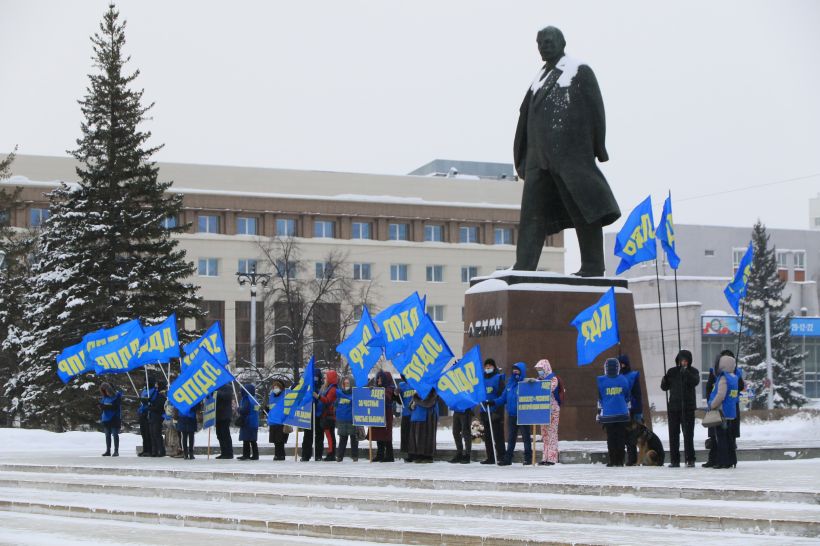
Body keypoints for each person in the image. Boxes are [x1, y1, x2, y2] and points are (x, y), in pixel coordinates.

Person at [512, 25, 620, 275]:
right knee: (531, 216)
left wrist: (598, 147)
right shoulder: (538, 78)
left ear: (562, 42)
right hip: (538, 160)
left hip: (569, 156)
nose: (545, 45)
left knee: (584, 209)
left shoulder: (577, 71)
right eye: (541, 42)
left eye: (550, 41)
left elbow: (596, 109)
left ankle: (593, 266)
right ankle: (524, 266)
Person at [660, 349, 700, 467]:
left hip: (687, 408)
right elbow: (664, 387)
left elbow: (695, 382)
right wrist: (664, 380)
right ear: (678, 360)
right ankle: (674, 460)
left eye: (686, 361)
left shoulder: (693, 371)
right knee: (673, 435)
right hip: (674, 408)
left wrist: (686, 373)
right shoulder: (672, 372)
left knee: (688, 434)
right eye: (682, 360)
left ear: (689, 361)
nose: (684, 363)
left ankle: (690, 459)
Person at [494, 362, 532, 466]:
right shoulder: (509, 384)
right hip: (512, 415)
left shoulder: (525, 383)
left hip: (523, 415)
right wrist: (493, 402)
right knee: (511, 438)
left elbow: (535, 390)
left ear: (522, 371)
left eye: (517, 369)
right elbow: (503, 398)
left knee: (526, 437)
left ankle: (528, 458)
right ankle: (508, 459)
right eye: (514, 369)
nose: (515, 371)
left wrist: (533, 382)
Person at [597, 357, 632, 467]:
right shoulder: (623, 380)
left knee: (611, 438)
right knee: (621, 438)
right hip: (622, 414)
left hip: (608, 414)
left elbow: (600, 398)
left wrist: (600, 411)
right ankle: (620, 461)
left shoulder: (601, 380)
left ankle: (612, 460)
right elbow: (627, 396)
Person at [708, 355, 739, 469]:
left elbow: (720, 395)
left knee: (721, 438)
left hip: (722, 411)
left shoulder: (723, 378)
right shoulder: (734, 377)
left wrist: (712, 405)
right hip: (731, 412)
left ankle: (723, 461)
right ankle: (732, 460)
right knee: (729, 438)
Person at [534, 359, 562, 465]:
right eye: (538, 369)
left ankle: (552, 458)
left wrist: (536, 383)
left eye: (540, 369)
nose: (539, 371)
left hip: (553, 411)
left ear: (546, 368)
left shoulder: (553, 378)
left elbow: (547, 388)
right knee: (544, 435)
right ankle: (545, 457)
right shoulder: (539, 379)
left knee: (552, 434)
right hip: (543, 410)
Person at [479, 358, 505, 465]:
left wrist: (497, 409)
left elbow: (501, 395)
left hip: (495, 411)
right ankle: (490, 457)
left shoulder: (498, 378)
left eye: (489, 366)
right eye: (486, 366)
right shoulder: (481, 379)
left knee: (498, 435)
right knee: (488, 436)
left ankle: (501, 456)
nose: (487, 368)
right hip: (485, 410)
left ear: (494, 367)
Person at [618, 354, 643, 466]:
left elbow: (638, 394)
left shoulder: (633, 376)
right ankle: (624, 458)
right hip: (620, 409)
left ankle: (632, 459)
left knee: (632, 436)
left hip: (632, 409)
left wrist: (638, 409)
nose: (621, 366)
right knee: (622, 436)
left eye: (622, 363)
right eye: (619, 364)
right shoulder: (616, 377)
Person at [370, 370, 396, 462]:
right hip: (378, 413)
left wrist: (377, 391)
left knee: (386, 434)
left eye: (381, 378)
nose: (379, 380)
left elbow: (387, 397)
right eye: (378, 378)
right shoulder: (378, 387)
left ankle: (389, 455)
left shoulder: (390, 388)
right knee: (379, 433)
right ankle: (380, 454)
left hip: (387, 413)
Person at [408, 388, 439, 463]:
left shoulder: (432, 389)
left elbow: (428, 403)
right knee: (418, 437)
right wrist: (411, 406)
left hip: (428, 416)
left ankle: (428, 456)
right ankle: (419, 454)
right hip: (417, 416)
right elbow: (411, 404)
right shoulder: (418, 389)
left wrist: (416, 398)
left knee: (427, 436)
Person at [314, 369, 338, 462]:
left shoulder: (332, 389)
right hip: (327, 415)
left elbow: (327, 401)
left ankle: (331, 453)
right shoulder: (328, 387)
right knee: (329, 435)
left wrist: (318, 397)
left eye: (326, 377)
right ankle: (330, 452)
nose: (324, 379)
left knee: (330, 435)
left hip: (329, 416)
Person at [300, 367, 323, 461]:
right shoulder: (307, 387)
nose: (315, 379)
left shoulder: (322, 387)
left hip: (319, 414)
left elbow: (324, 400)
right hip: (308, 413)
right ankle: (306, 454)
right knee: (307, 435)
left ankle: (318, 455)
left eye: (316, 377)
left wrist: (317, 397)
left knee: (319, 435)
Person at [335, 376, 358, 462]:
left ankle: (355, 456)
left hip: (351, 420)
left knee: (354, 439)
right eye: (344, 383)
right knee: (342, 439)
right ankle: (339, 456)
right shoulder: (339, 394)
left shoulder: (355, 394)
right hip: (342, 421)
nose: (345, 385)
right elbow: (336, 405)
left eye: (347, 383)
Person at [267, 379, 289, 461]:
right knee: (275, 441)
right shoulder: (272, 396)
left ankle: (281, 455)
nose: (275, 389)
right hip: (273, 421)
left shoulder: (285, 395)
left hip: (281, 421)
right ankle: (277, 454)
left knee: (280, 440)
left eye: (277, 387)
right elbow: (271, 407)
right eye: (274, 387)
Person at [237, 383, 260, 461]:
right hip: (254, 421)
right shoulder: (254, 399)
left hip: (247, 422)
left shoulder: (247, 398)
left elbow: (244, 410)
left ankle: (246, 455)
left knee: (246, 440)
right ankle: (255, 455)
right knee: (253, 440)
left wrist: (238, 409)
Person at [99, 382, 122, 457]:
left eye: (106, 390)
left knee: (115, 434)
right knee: (107, 435)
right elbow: (101, 405)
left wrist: (106, 407)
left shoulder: (117, 396)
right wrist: (102, 406)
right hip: (106, 418)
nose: (105, 392)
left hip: (114, 418)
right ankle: (108, 450)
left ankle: (116, 451)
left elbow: (116, 407)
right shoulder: (104, 397)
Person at [397, 375, 416, 462]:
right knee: (406, 435)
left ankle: (416, 453)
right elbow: (399, 401)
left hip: (415, 413)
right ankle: (409, 454)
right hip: (406, 413)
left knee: (414, 435)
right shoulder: (401, 385)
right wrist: (396, 394)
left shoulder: (416, 383)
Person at [214, 383, 235, 459]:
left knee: (225, 434)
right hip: (218, 415)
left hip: (225, 415)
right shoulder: (216, 386)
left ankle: (229, 453)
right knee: (219, 434)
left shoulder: (227, 387)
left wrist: (216, 392)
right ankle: (223, 452)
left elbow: (227, 396)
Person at [148, 380, 167, 457]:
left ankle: (161, 450)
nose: (156, 387)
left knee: (157, 433)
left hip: (158, 416)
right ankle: (154, 451)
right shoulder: (155, 394)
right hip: (153, 416)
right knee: (152, 433)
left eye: (157, 386)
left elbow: (159, 407)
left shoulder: (162, 396)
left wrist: (151, 407)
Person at [137, 380, 156, 457]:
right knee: (143, 433)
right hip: (142, 412)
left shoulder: (154, 391)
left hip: (148, 412)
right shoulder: (144, 391)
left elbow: (152, 401)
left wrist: (147, 401)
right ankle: (145, 449)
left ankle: (150, 450)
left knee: (148, 433)